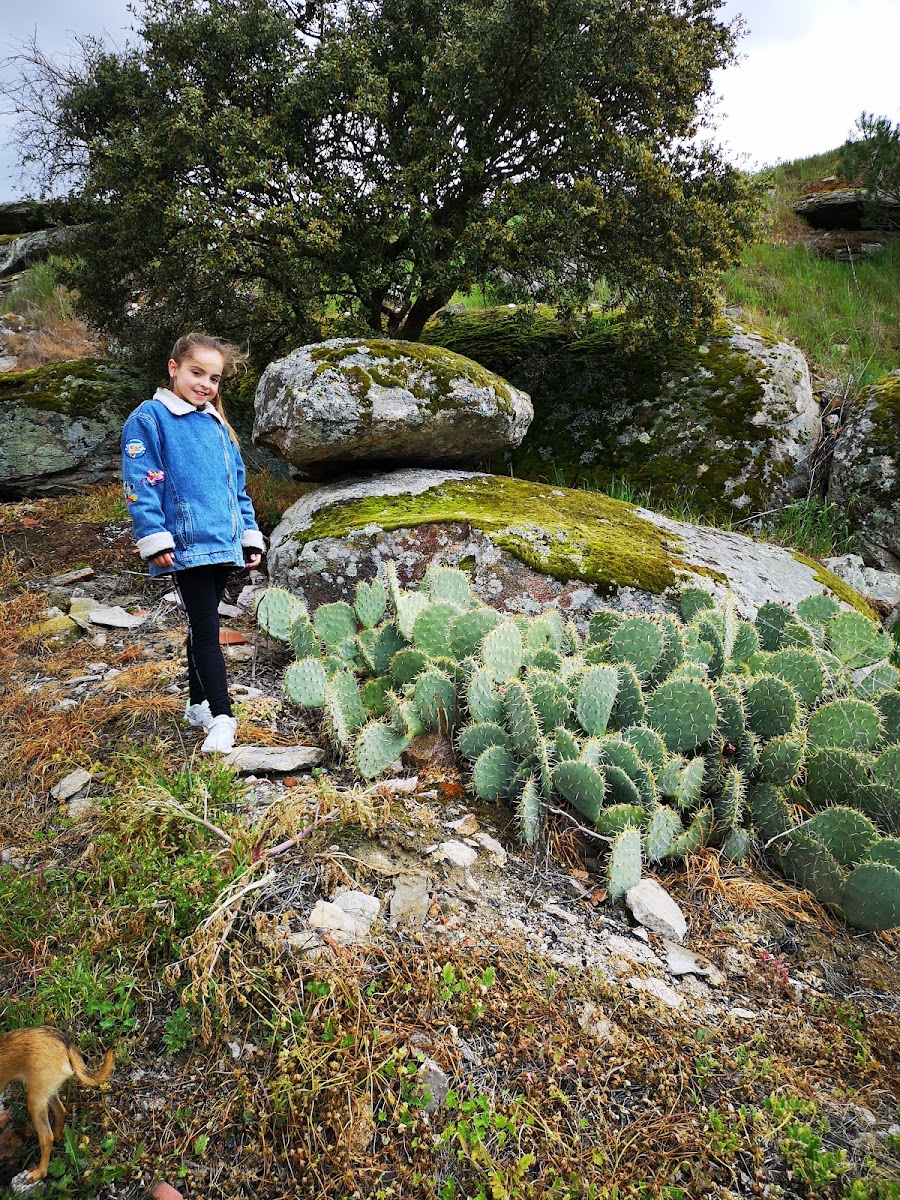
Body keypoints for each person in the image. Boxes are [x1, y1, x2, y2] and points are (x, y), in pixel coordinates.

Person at [121, 332, 265, 754]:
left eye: (214, 378)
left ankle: (196, 703)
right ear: (174, 368)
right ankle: (223, 716)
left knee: (200, 625)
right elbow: (140, 484)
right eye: (197, 372)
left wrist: (248, 533)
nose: (206, 384)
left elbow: (236, 489)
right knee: (207, 629)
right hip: (184, 543)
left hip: (223, 542)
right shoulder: (150, 419)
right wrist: (153, 536)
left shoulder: (218, 425)